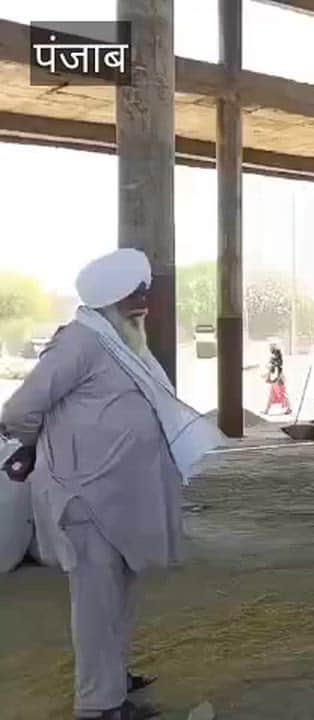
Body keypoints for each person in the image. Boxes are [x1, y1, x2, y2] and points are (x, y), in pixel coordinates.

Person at [0, 248, 222, 720]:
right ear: (111, 299)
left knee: (118, 599)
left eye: (146, 291)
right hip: (85, 497)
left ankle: (112, 681)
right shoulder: (80, 342)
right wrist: (41, 449)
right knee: (96, 605)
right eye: (134, 294)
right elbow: (20, 411)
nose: (144, 302)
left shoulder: (121, 342)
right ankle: (97, 706)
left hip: (117, 498)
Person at [263, 344, 291, 416]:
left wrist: (269, 377)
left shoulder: (276, 359)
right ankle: (267, 410)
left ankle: (289, 408)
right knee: (273, 394)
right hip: (276, 378)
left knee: (282, 393)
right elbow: (271, 369)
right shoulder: (276, 359)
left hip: (278, 378)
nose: (270, 350)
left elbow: (274, 369)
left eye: (271, 348)